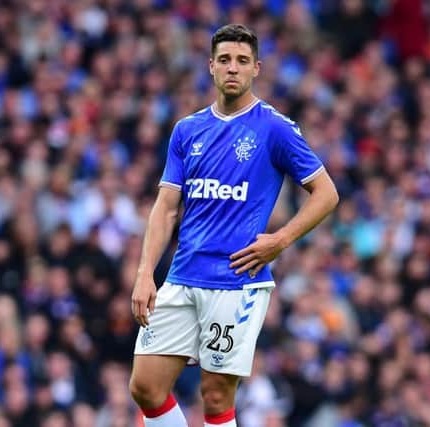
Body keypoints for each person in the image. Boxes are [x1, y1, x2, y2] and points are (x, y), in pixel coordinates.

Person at [129, 24, 339, 427]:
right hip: (182, 275)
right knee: (146, 387)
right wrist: (145, 274)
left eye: (242, 61)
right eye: (224, 59)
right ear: (210, 66)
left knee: (214, 396)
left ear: (256, 68)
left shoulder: (274, 128)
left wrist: (280, 240)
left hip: (236, 281)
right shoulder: (187, 130)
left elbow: (327, 193)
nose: (233, 68)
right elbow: (166, 206)